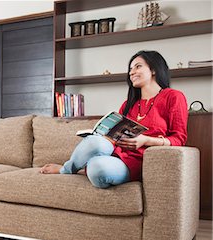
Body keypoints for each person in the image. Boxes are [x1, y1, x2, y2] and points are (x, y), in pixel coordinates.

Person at [40, 50, 188, 188]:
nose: (132, 72)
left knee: (97, 167)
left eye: (138, 66)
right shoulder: (128, 104)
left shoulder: (173, 96)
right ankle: (70, 169)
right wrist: (105, 136)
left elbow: (179, 139)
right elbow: (115, 137)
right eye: (130, 69)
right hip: (116, 153)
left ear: (154, 70)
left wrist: (146, 140)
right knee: (94, 142)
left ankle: (77, 170)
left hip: (140, 162)